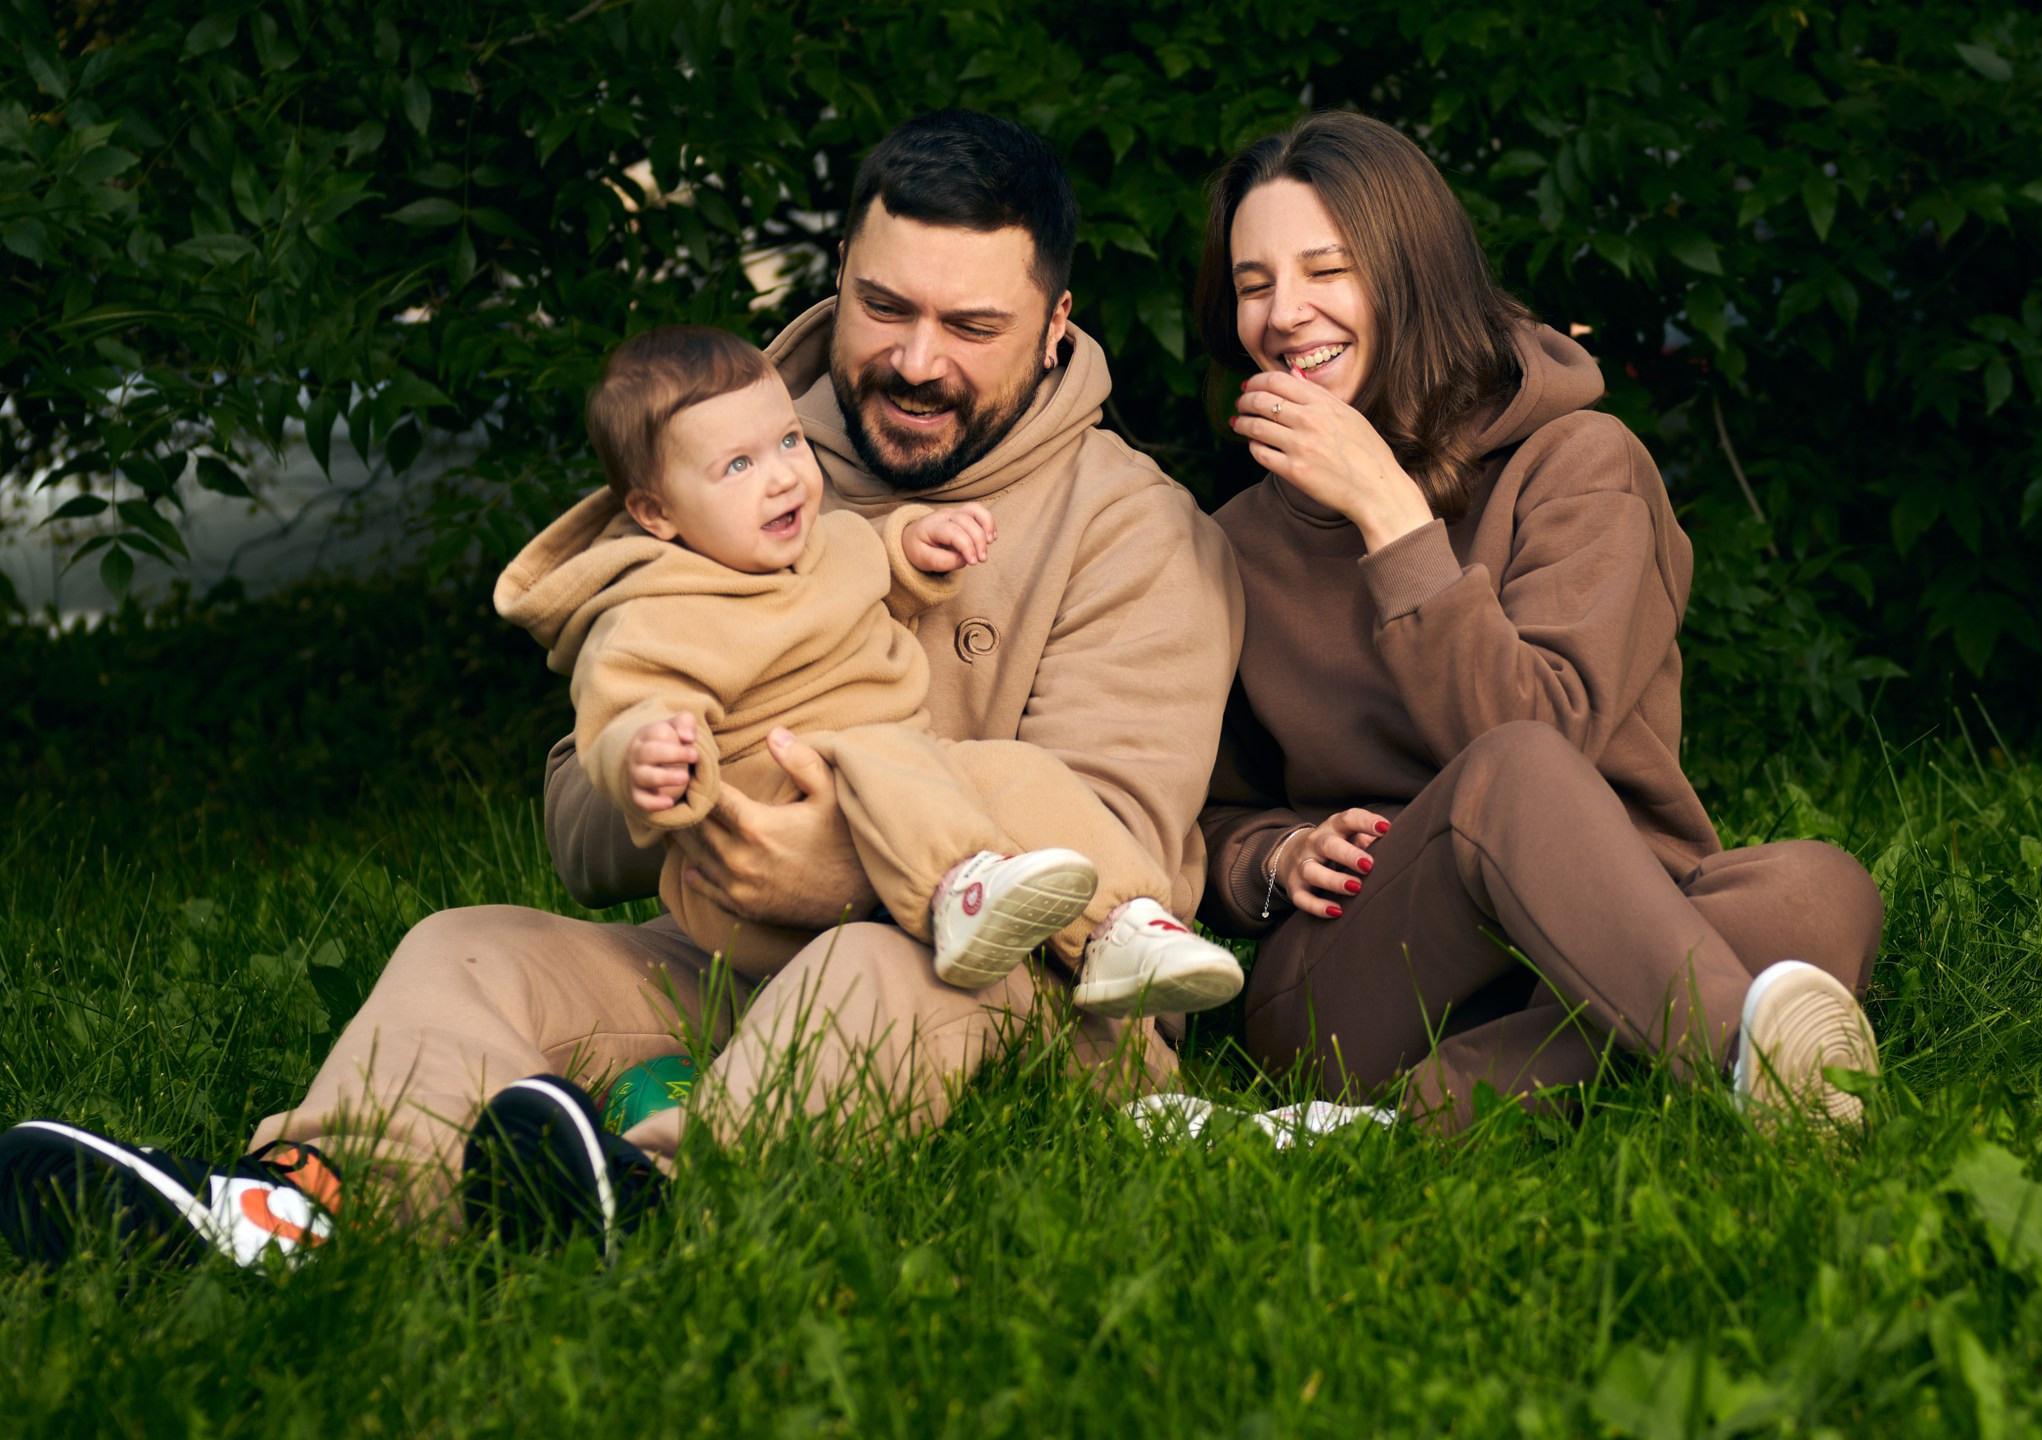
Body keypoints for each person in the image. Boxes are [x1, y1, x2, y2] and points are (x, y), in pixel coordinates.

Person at [0, 109, 1243, 1269]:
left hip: (998, 988)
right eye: (884, 307)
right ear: (839, 283)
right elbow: (579, 818)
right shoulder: (728, 454)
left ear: (1057, 322)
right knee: (466, 947)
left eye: (970, 328)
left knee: (874, 965)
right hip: (727, 949)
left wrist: (822, 867)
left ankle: (657, 1195)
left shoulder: (1134, 532)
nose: (915, 361)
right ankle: (302, 1205)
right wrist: (665, 794)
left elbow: (1114, 849)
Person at [1192, 112, 1885, 1133]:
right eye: (1254, 285)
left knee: (1821, 889)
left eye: (1324, 271)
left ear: (1409, 276)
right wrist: (1269, 856)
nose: (1285, 314)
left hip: (1613, 921)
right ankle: (1750, 1053)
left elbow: (1555, 726)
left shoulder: (1580, 466)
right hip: (1363, 973)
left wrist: (1391, 515)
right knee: (1507, 773)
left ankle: (1428, 1111)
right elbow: (1206, 814)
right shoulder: (1230, 544)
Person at [494, 324, 1244, 1016]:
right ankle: (960, 888)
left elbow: (870, 557)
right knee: (875, 751)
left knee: (1013, 772)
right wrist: (643, 755)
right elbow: (624, 704)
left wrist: (917, 548)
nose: (784, 478)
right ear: (656, 513)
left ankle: (1120, 923)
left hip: (903, 784)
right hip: (750, 848)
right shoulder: (658, 607)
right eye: (739, 465)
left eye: (789, 441)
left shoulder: (820, 546)